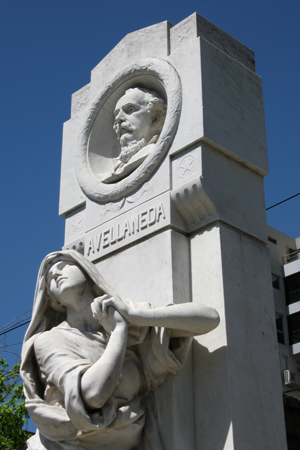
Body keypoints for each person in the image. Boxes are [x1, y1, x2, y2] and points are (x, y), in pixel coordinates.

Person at [21, 250, 219, 450]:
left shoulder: (124, 317)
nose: (55, 274)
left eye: (63, 265)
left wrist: (135, 316)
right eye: (49, 277)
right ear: (53, 299)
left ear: (87, 272)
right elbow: (92, 396)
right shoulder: (49, 340)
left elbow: (209, 319)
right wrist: (118, 333)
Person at [101, 87, 167, 183]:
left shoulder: (152, 150)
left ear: (155, 117)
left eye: (130, 109)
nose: (118, 119)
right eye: (116, 114)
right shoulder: (115, 169)